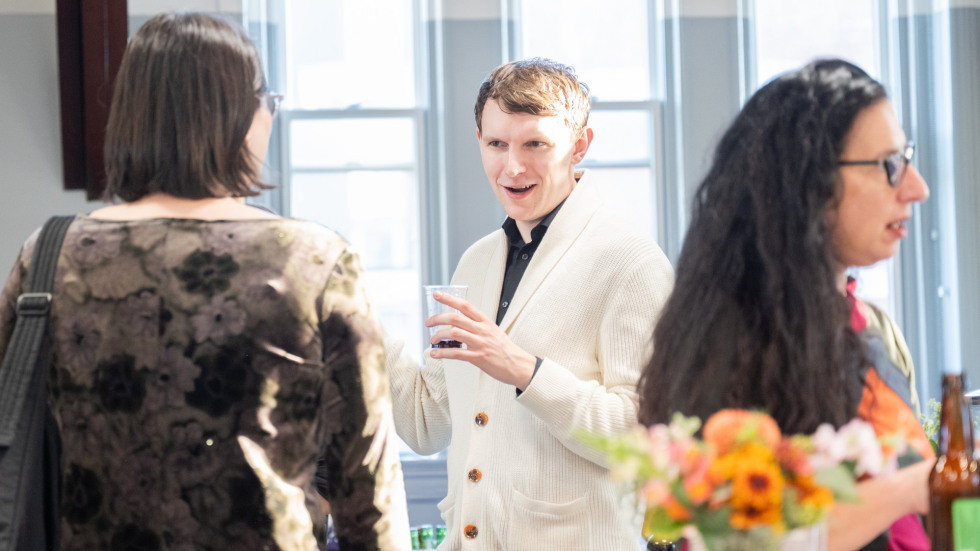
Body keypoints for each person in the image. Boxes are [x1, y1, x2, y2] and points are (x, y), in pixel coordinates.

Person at [0, 12, 409, 550]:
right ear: (239, 115)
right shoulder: (314, 262)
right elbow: (369, 496)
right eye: (267, 100)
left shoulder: (49, 256)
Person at [637, 59, 932, 550]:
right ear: (807, 186)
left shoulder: (861, 328)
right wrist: (911, 490)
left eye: (906, 157)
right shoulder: (735, 348)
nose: (916, 188)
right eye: (888, 166)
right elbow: (738, 540)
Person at [385, 58, 674, 549]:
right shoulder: (475, 263)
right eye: (497, 143)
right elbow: (427, 423)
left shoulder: (632, 262)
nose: (512, 167)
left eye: (535, 144)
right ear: (479, 139)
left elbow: (643, 440)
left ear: (579, 145)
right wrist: (360, 328)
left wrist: (525, 370)